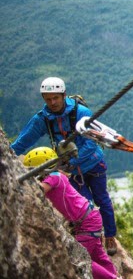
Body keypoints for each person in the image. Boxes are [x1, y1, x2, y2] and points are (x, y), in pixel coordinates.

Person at [12, 77, 120, 255]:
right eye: (48, 99)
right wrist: (7, 155)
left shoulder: (81, 112)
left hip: (92, 164)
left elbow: (91, 143)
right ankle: (95, 240)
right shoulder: (43, 119)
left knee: (102, 199)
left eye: (55, 98)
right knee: (85, 206)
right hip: (72, 170)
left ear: (63, 95)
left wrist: (71, 163)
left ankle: (110, 235)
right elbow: (23, 141)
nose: (52, 102)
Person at [23, 147, 129, 279]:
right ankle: (112, 275)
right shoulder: (59, 175)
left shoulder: (52, 178)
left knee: (78, 258)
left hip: (85, 222)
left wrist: (27, 179)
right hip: (90, 217)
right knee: (97, 253)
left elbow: (39, 189)